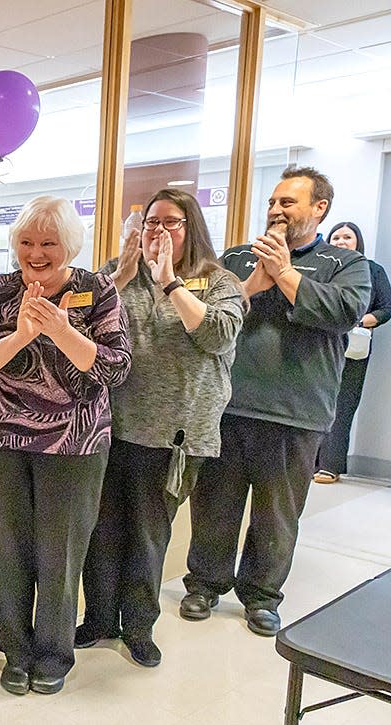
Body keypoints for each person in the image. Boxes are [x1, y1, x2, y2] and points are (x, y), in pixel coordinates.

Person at [0, 195, 131, 696]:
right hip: (4, 438)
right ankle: (16, 651)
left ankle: (54, 653)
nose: (36, 253)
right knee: (7, 549)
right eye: (27, 242)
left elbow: (116, 368)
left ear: (69, 246)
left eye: (48, 243)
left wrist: (61, 330)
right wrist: (20, 335)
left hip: (76, 443)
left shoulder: (96, 290)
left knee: (61, 553)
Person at [181, 167, 370, 636]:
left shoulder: (344, 265)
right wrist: (252, 285)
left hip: (297, 413)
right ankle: (204, 584)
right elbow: (209, 319)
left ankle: (261, 597)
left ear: (318, 208)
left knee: (277, 515)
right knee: (214, 506)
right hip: (228, 406)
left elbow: (343, 313)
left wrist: (285, 274)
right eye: (272, 202)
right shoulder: (237, 257)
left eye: (288, 202)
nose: (275, 211)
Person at [78, 190, 244, 668]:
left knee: (148, 535)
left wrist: (170, 283)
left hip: (174, 436)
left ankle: (139, 628)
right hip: (108, 429)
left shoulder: (218, 281)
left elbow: (216, 335)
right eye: (151, 222)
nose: (158, 231)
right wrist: (119, 278)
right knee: (102, 530)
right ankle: (101, 620)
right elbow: (76, 323)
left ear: (191, 227)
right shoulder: (118, 273)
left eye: (171, 222)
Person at [313, 221, 391, 483]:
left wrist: (357, 320)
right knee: (315, 401)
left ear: (358, 241)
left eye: (347, 237)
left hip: (354, 347)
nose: (341, 242)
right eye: (336, 237)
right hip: (320, 345)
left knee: (343, 404)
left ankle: (330, 465)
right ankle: (309, 463)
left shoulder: (372, 270)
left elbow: (386, 307)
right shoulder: (321, 267)